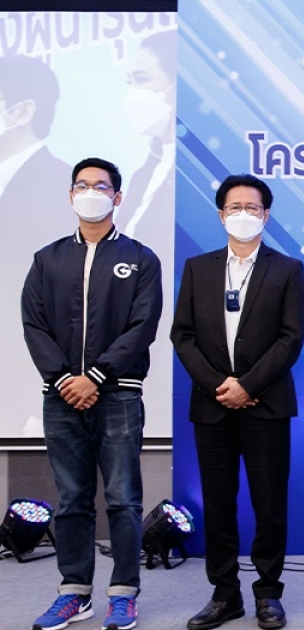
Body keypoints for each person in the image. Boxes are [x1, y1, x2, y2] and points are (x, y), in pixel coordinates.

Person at [21, 157, 163, 630]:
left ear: (117, 197)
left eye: (100, 186)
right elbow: (34, 324)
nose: (90, 192)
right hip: (61, 396)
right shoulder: (48, 259)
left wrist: (97, 376)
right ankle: (74, 593)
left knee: (122, 498)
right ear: (70, 195)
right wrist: (65, 378)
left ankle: (124, 593)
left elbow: (142, 326)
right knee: (72, 499)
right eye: (81, 185)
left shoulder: (141, 258)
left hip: (118, 393)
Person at [171, 174, 304, 630]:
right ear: (221, 215)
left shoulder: (287, 269)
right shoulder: (198, 268)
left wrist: (249, 385)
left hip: (265, 405)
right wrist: (220, 386)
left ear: (265, 215)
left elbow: (291, 338)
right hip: (212, 405)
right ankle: (224, 594)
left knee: (269, 505)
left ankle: (268, 593)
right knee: (218, 503)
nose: (244, 214)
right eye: (235, 207)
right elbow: (182, 335)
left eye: (252, 207)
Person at [1, 55, 74, 437]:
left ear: (22, 111)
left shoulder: (56, 185)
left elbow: (63, 300)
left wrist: (37, 399)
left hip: (21, 392)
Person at [117, 31, 177, 250]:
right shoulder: (143, 174)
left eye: (141, 80)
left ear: (176, 87)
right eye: (130, 82)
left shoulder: (193, 174)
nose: (133, 93)